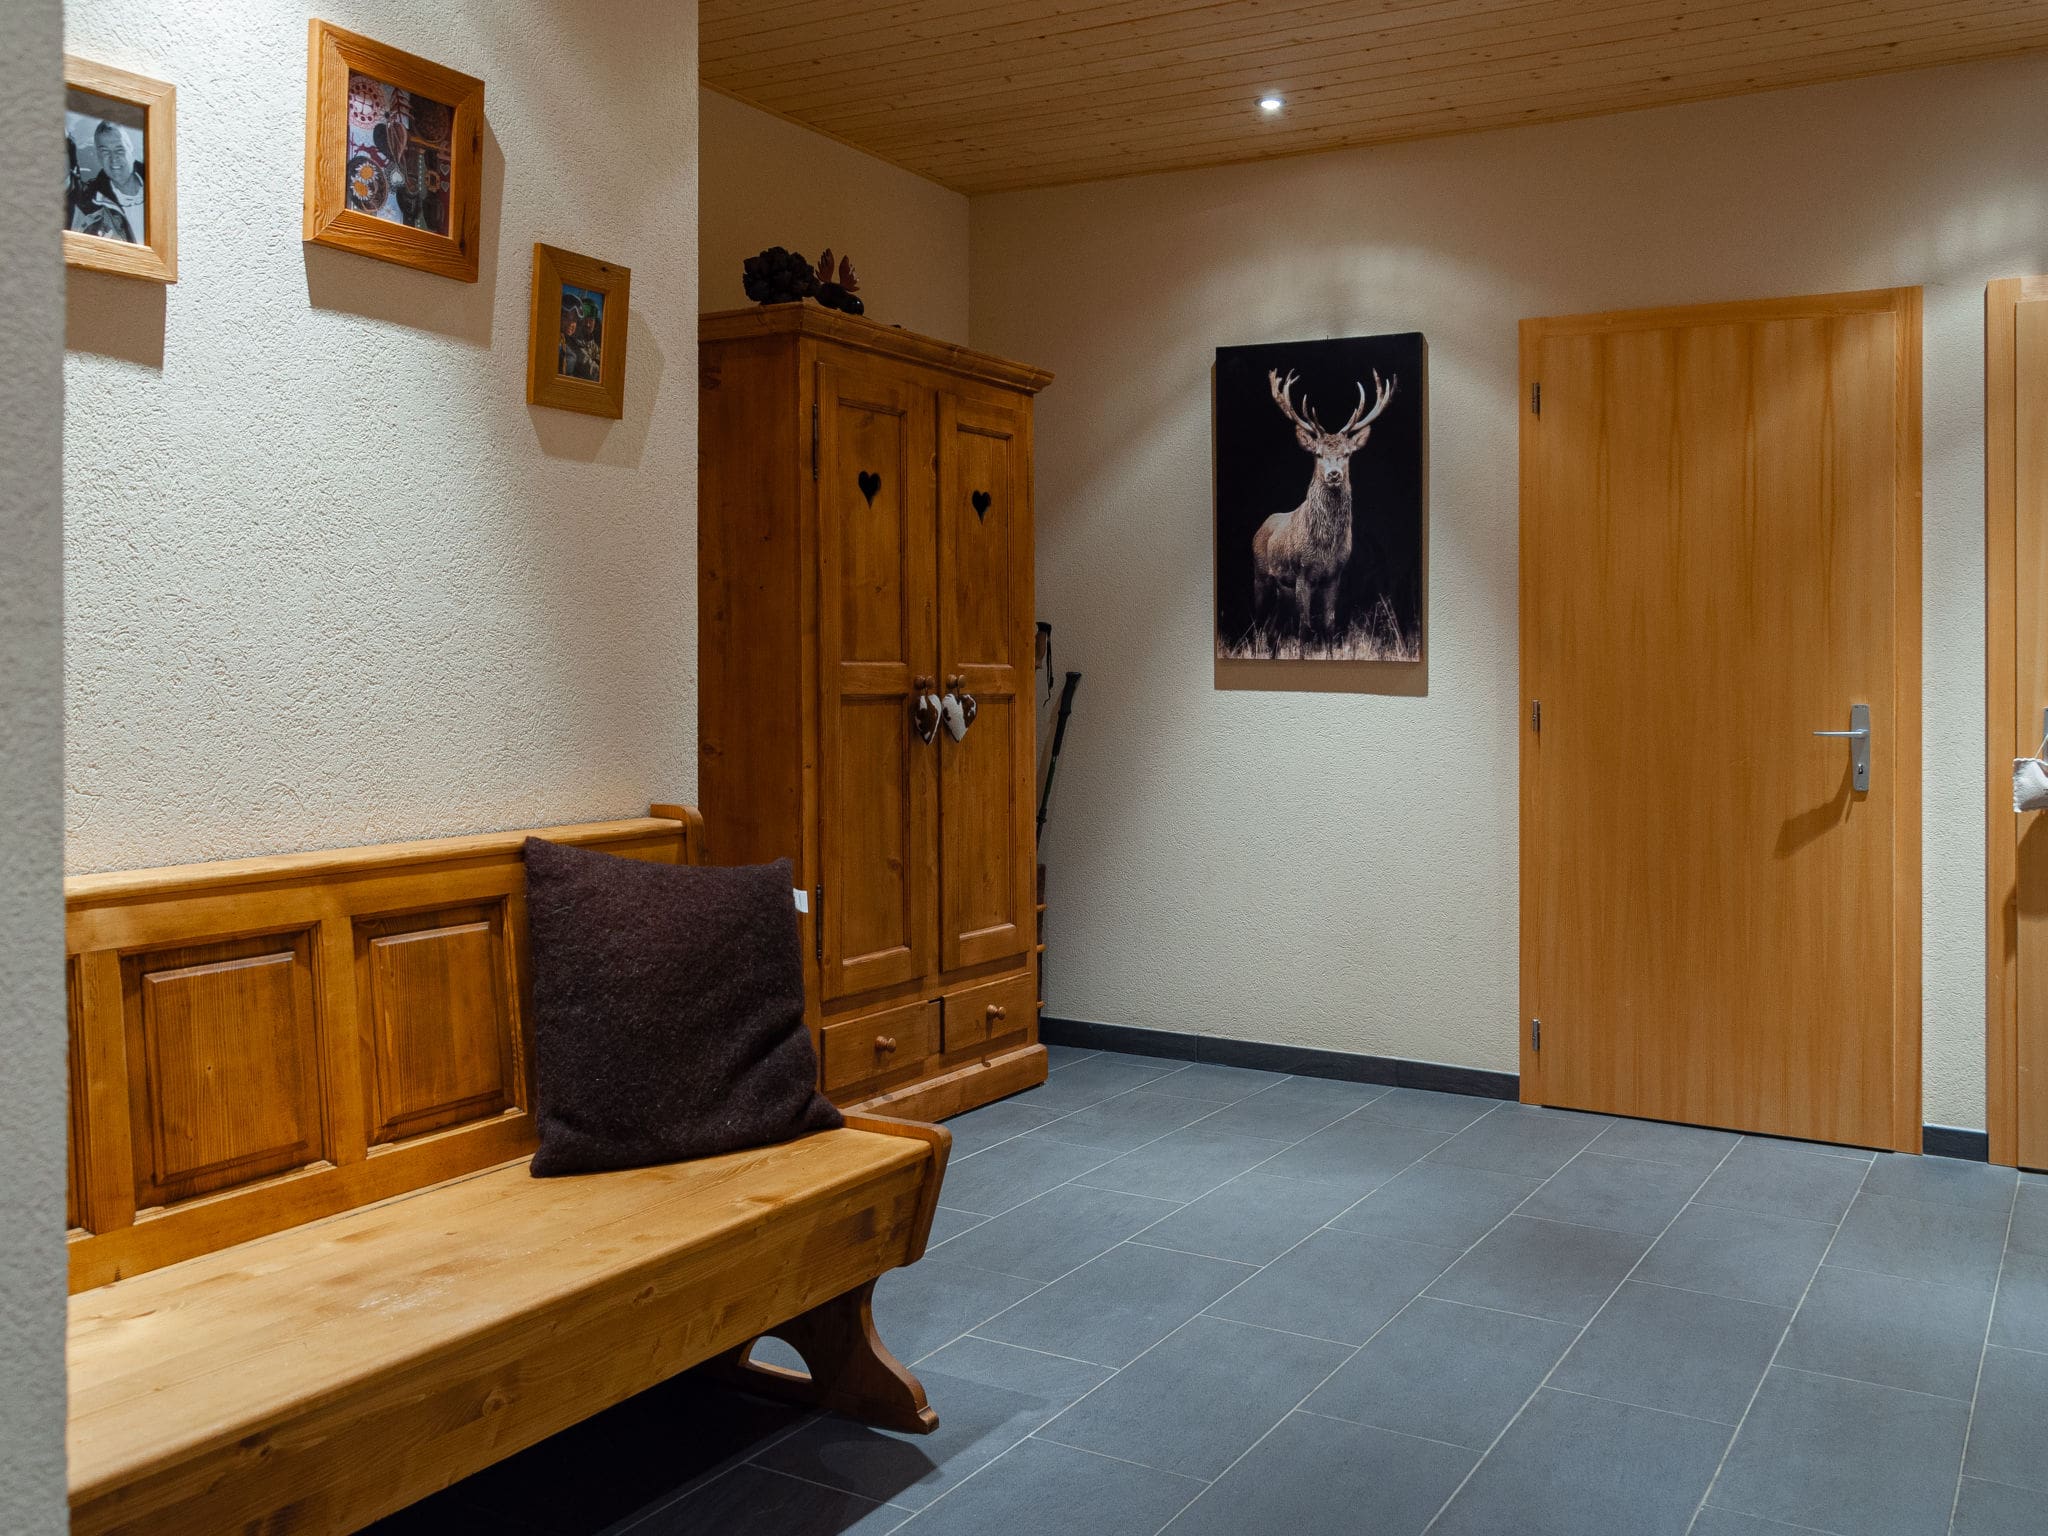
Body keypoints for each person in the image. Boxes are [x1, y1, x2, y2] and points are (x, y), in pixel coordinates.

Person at [67, 120, 145, 243]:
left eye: (119, 149)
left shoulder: (161, 187)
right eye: (105, 152)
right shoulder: (88, 203)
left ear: (132, 149)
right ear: (98, 156)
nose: (113, 159)